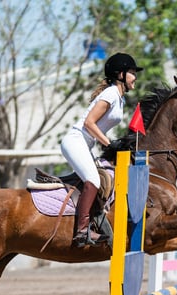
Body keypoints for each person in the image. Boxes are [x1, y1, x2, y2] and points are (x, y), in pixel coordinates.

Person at [61, 52, 143, 247]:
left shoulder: (119, 97)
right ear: (120, 74)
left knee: (105, 178)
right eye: (132, 72)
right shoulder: (111, 93)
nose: (135, 77)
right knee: (94, 180)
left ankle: (95, 222)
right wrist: (109, 143)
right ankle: (81, 231)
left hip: (85, 144)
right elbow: (89, 122)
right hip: (75, 141)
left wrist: (116, 142)